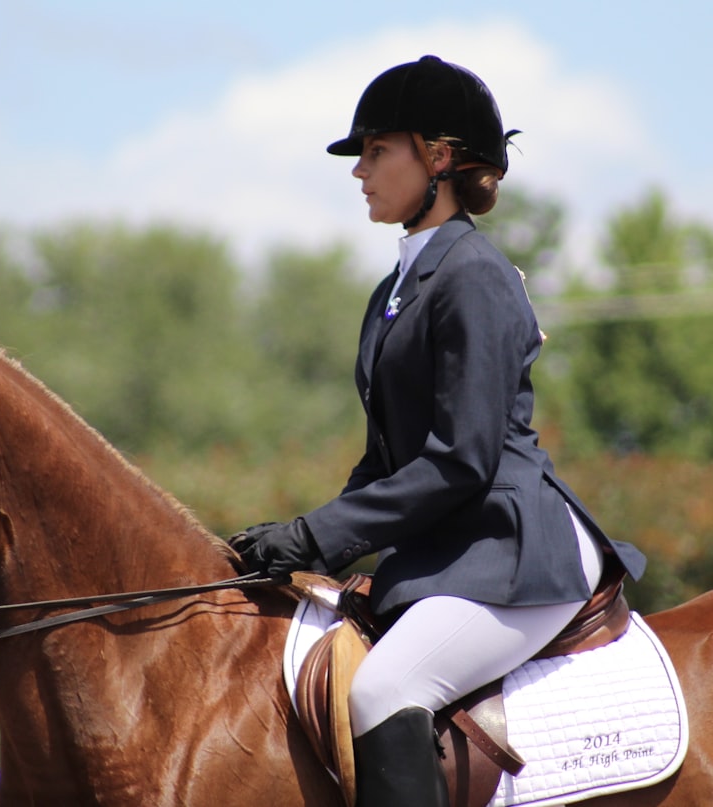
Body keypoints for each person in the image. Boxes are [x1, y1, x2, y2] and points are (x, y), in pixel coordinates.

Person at [232, 55, 647, 807]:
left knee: (384, 688)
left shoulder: (476, 276)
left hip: (516, 550)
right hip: (456, 551)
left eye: (376, 150)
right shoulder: (394, 290)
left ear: (440, 158)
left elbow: (460, 460)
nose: (359, 170)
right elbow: (385, 460)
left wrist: (318, 535)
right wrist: (303, 538)